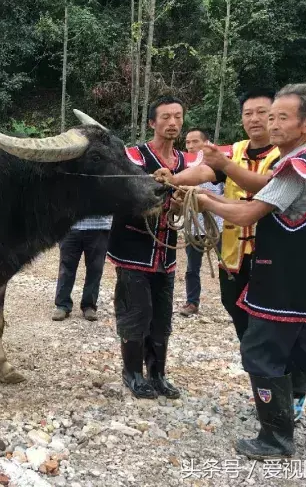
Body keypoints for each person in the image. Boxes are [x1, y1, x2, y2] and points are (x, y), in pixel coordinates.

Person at [195, 83, 306, 459]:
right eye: (271, 116)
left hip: (285, 284)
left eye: (281, 118)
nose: (272, 125)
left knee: (259, 350)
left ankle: (275, 438)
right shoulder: (302, 162)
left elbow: (246, 213)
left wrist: (205, 199)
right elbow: (262, 187)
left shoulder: (298, 169)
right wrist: (222, 173)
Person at [155, 88, 306, 420]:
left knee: (278, 330)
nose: (255, 120)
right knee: (246, 328)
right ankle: (268, 392)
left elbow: (263, 189)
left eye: (264, 113)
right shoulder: (236, 150)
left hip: (274, 262)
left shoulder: (287, 157)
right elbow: (204, 172)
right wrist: (173, 180)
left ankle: (293, 394)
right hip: (234, 257)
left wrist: (218, 173)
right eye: (248, 113)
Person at [106, 95, 186, 399]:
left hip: (165, 253)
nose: (173, 123)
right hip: (133, 248)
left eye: (177, 117)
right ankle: (132, 373)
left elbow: (187, 201)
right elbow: (118, 194)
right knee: (135, 311)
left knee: (162, 315)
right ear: (152, 122)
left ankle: (158, 374)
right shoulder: (133, 158)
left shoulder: (183, 163)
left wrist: (180, 202)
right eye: (165, 117)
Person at [180, 129, 224, 317]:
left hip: (218, 223)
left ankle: (236, 300)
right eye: (188, 142)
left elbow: (227, 192)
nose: (190, 146)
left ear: (206, 143)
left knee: (228, 263)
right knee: (192, 267)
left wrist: (205, 196)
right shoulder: (184, 166)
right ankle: (192, 302)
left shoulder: (220, 165)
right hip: (193, 225)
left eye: (195, 141)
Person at [52, 215, 111, 321]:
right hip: (69, 226)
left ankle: (89, 305)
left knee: (95, 269)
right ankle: (62, 305)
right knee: (66, 267)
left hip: (99, 226)